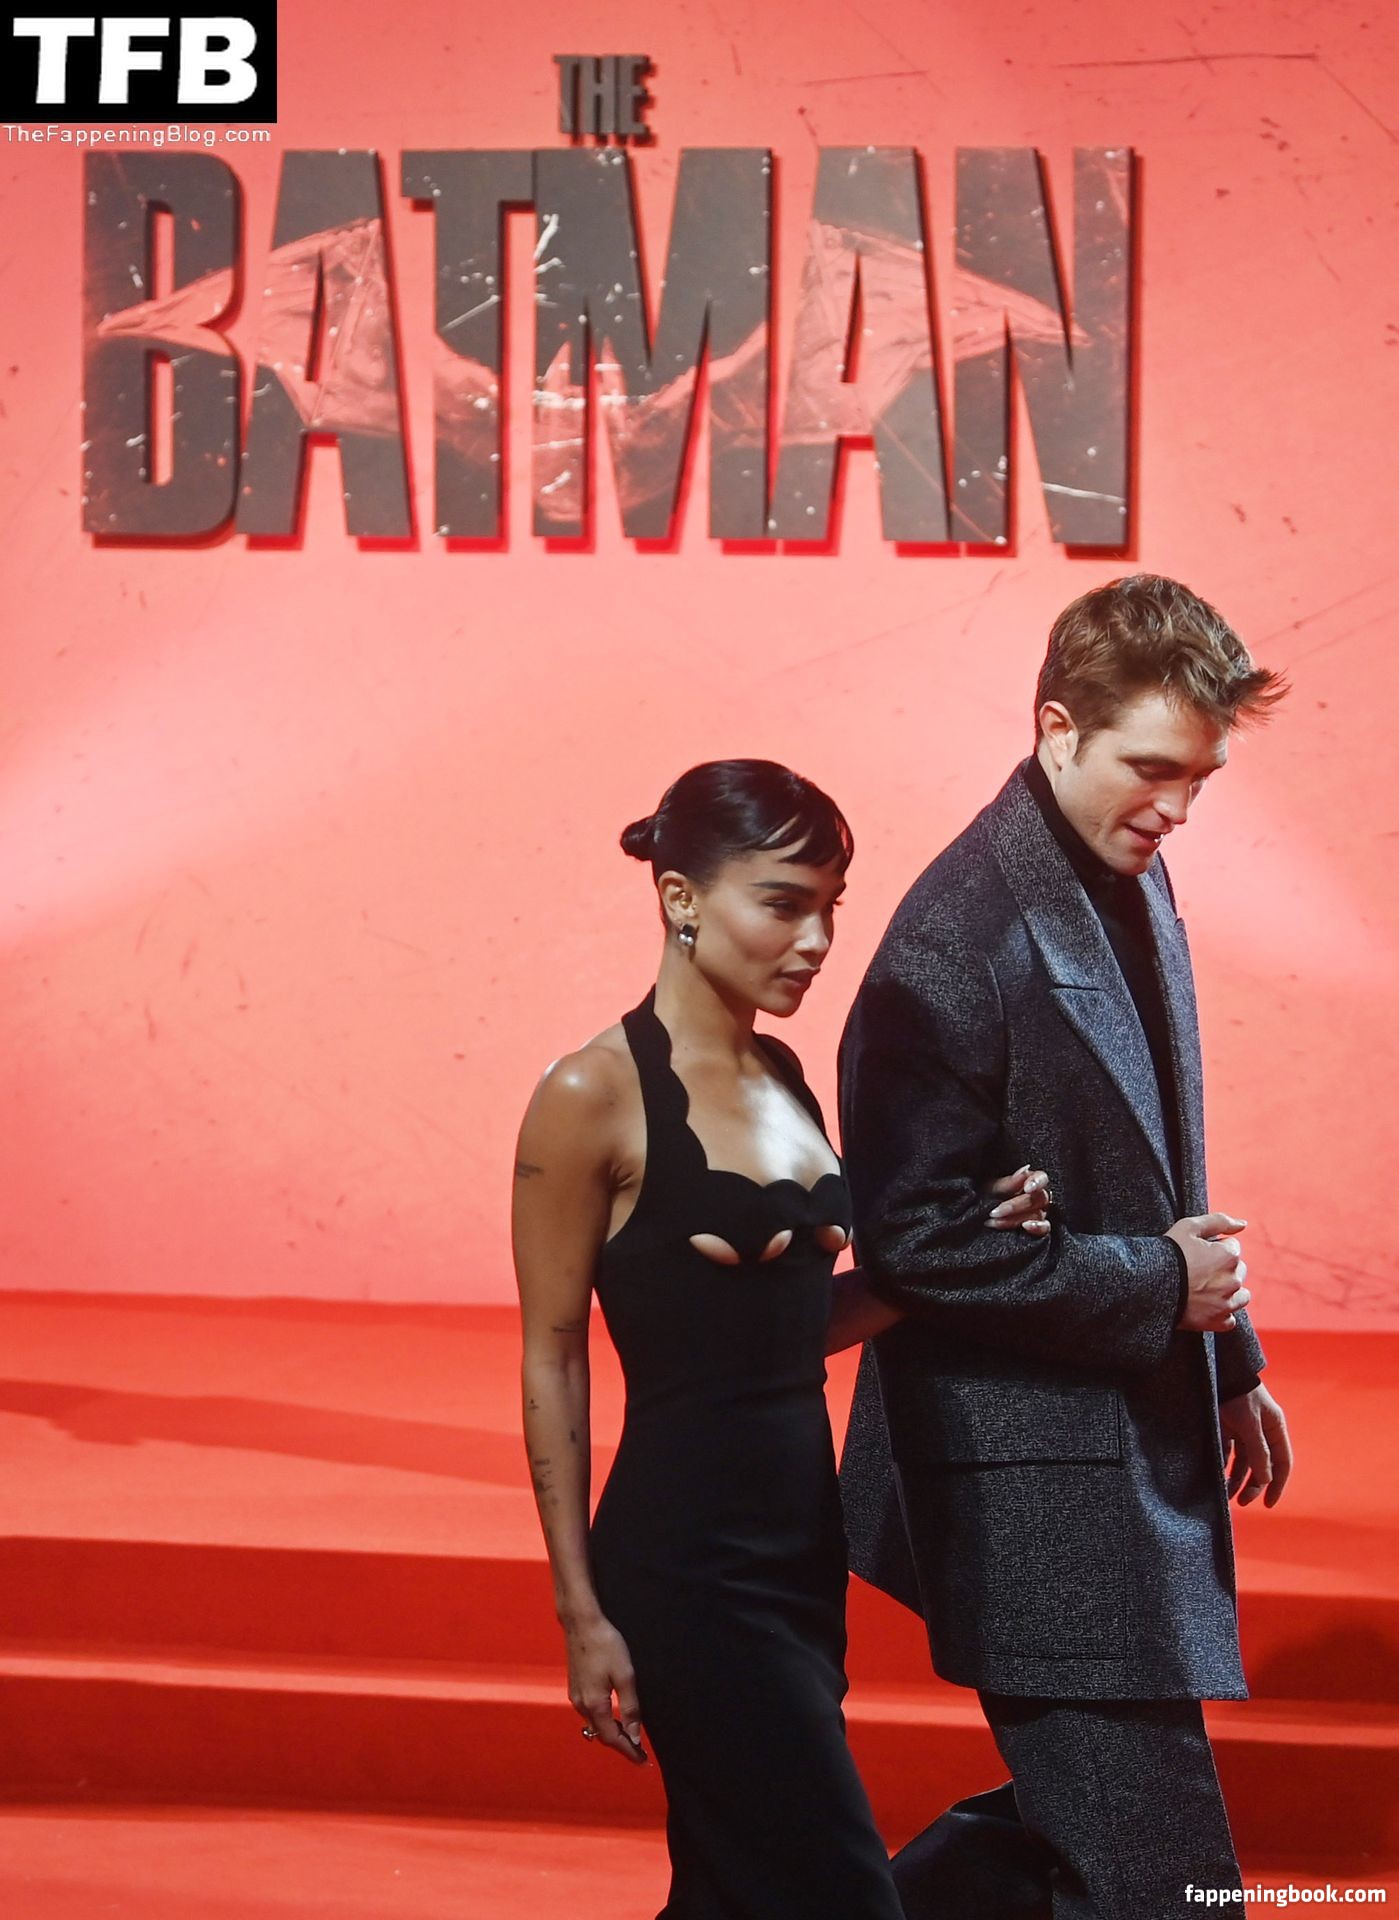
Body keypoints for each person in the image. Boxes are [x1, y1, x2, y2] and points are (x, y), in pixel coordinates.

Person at [512, 758, 1051, 1919]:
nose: (816, 941)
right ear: (680, 898)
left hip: (801, 1546)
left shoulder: (789, 1077)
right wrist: (579, 1612)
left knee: (734, 1889)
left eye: (830, 908)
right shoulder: (588, 1095)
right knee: (834, 1886)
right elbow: (551, 1360)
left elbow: (794, 1332)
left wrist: (956, 1251)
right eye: (783, 904)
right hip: (686, 1564)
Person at [838, 575, 1296, 1920]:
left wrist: (1224, 1355)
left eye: (1199, 779)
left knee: (1080, 1848)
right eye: (1151, 770)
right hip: (1029, 1485)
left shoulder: (1119, 866)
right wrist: (1164, 1287)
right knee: (1165, 1886)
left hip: (1111, 1457)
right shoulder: (953, 939)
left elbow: (1149, 1158)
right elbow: (914, 1246)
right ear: (1055, 729)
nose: (1176, 808)